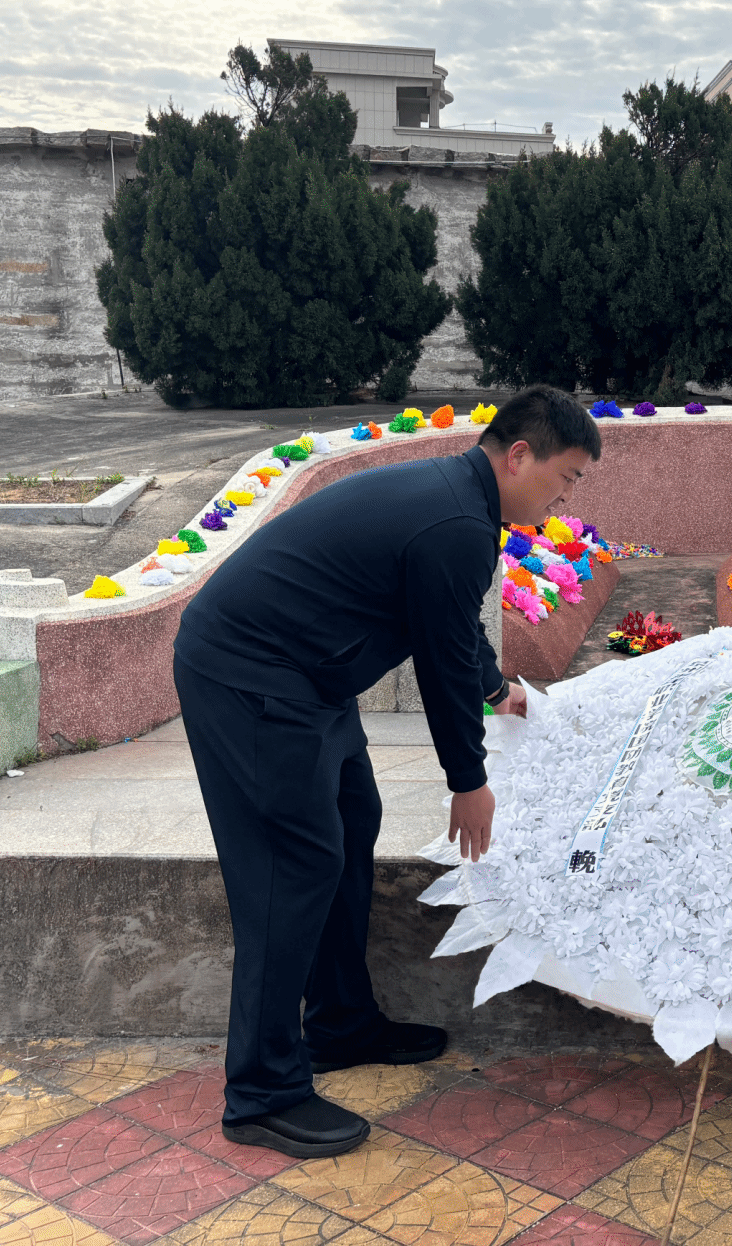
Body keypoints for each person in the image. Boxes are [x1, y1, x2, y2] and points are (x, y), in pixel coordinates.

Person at [173, 385, 601, 1158]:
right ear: (520, 456)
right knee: (289, 868)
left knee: (351, 820)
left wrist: (497, 690)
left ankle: (340, 1023)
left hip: (306, 676)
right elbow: (439, 667)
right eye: (567, 476)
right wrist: (468, 782)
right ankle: (261, 1093)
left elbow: (451, 632)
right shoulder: (457, 520)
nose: (566, 496)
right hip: (250, 676)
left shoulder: (460, 506)